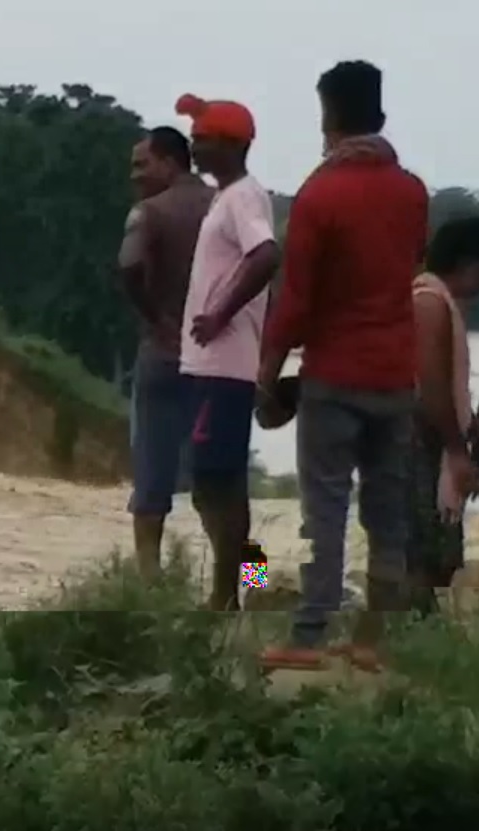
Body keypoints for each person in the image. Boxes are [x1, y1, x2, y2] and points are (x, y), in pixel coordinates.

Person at [258, 61, 430, 671]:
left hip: (327, 377)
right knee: (384, 513)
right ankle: (371, 640)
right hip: (393, 377)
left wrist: (266, 372)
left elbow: (294, 299)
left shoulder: (318, 194)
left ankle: (294, 630)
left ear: (329, 116)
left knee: (307, 510)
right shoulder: (411, 192)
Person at [172, 93, 282, 610]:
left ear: (233, 144)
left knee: (218, 485)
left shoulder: (243, 197)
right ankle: (249, 587)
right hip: (209, 366)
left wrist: (219, 315)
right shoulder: (226, 197)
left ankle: (230, 595)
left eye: (202, 139)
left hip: (224, 366)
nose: (194, 147)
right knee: (218, 486)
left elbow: (266, 256)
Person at [119, 125, 216, 582]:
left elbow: (130, 264)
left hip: (164, 355)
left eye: (143, 164)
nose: (135, 175)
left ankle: (148, 582)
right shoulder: (226, 206)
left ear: (171, 162)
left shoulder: (150, 212)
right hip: (221, 365)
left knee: (151, 479)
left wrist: (155, 317)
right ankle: (247, 583)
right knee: (230, 486)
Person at [407, 217, 479, 614]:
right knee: (422, 547)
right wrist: (456, 449)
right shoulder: (430, 303)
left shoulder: (441, 304)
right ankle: (247, 588)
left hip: (432, 442)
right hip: (423, 443)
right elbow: (430, 385)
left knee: (437, 549)